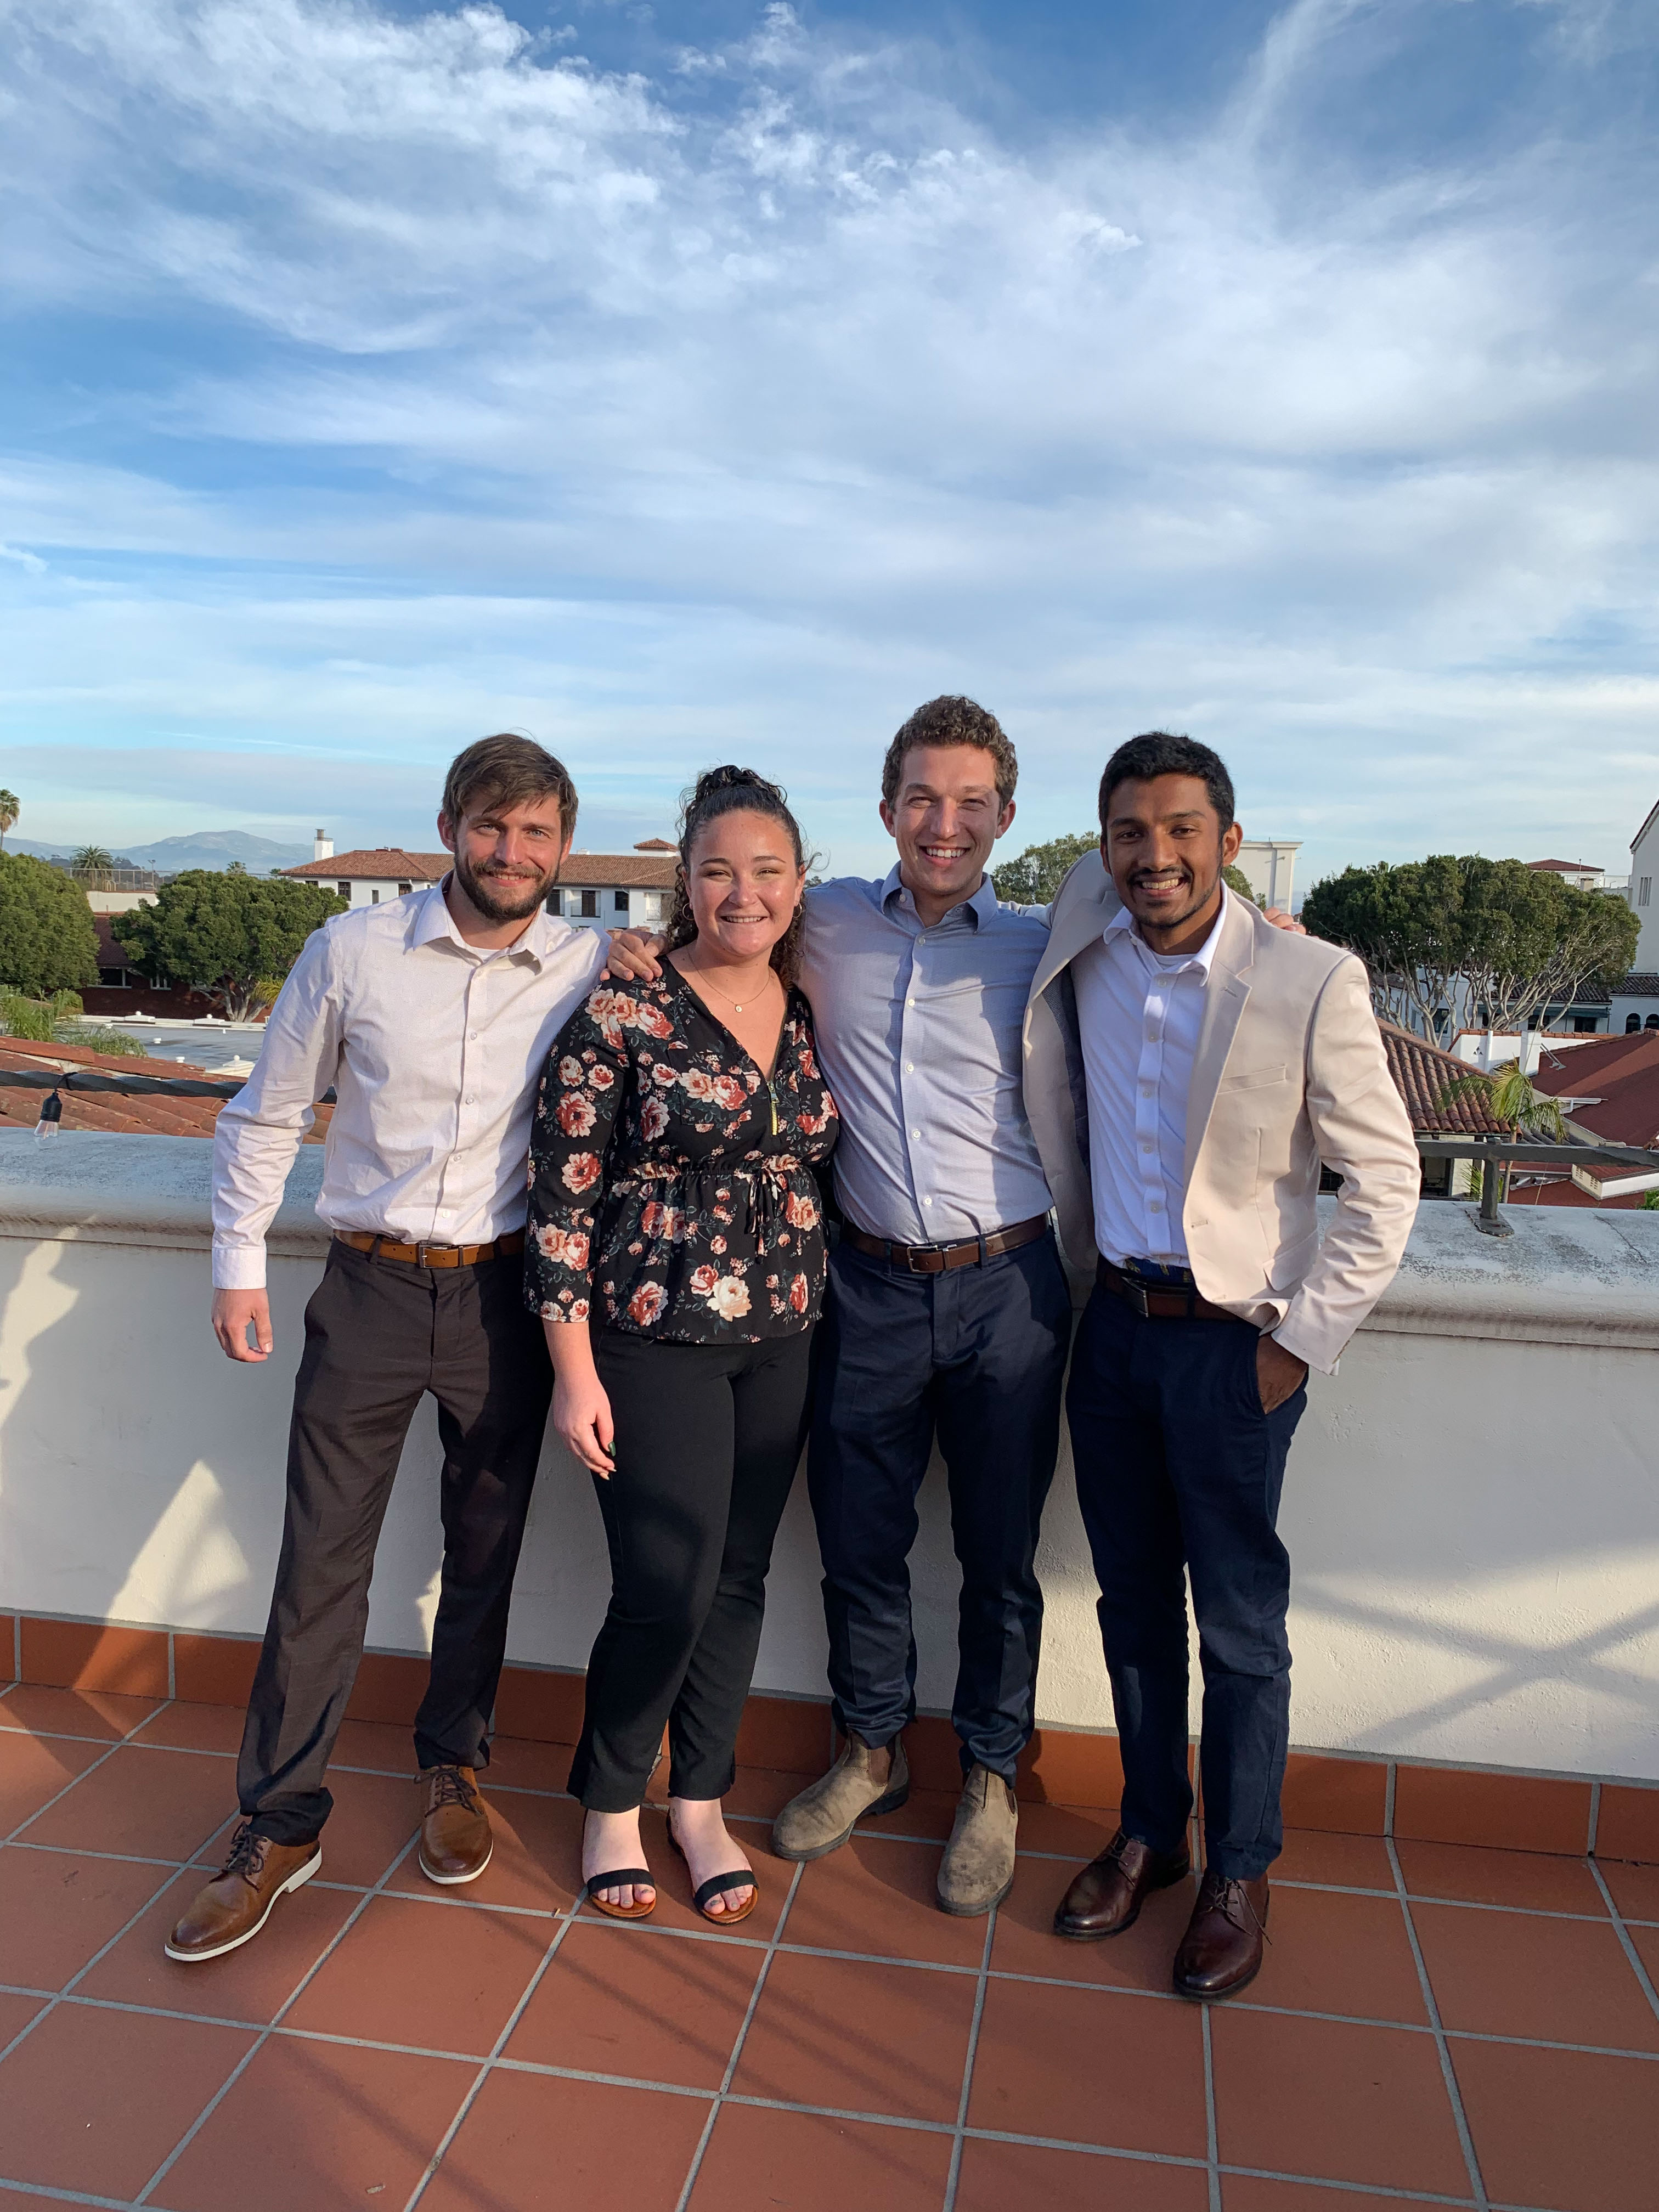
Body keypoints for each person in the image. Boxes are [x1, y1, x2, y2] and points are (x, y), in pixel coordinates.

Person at [608, 698, 1072, 1917]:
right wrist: (605, 952)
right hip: (861, 1284)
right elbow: (714, 937)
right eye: (923, 797)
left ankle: (989, 1773)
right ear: (884, 811)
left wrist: (1278, 930)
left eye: (972, 802)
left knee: (996, 1552)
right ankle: (871, 1749)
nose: (945, 823)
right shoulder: (830, 928)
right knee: (860, 1543)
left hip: (1010, 1286)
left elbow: (1176, 956)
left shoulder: (1044, 943)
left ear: (1006, 819)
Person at [166, 734, 607, 1963]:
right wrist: (237, 1262)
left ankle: (453, 1764)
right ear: (449, 827)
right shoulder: (351, 951)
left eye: (535, 835)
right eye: (490, 828)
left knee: (485, 1546)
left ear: (563, 849)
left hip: (507, 1300)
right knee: (322, 1562)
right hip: (365, 1288)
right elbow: (266, 1113)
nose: (511, 854)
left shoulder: (589, 960)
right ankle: (282, 1821)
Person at [1023, 730, 1420, 1997]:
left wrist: (1298, 1343)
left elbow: (1387, 1180)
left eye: (1184, 829)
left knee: (1241, 1629)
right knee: (1133, 1610)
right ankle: (1152, 1831)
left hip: (1236, 1351)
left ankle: (1241, 1866)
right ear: (1104, 850)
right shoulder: (1081, 941)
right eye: (1132, 833)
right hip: (1115, 1332)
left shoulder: (1310, 977)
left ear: (1229, 842)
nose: (1158, 855)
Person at [528, 766, 838, 1924]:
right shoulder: (629, 1005)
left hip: (786, 1334)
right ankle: (613, 1800)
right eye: (717, 870)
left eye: (766, 871)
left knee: (741, 1579)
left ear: (799, 886)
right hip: (653, 1337)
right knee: (665, 1582)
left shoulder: (810, 1002)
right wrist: (573, 1375)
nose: (742, 892)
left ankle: (699, 1800)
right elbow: (560, 1199)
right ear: (685, 883)